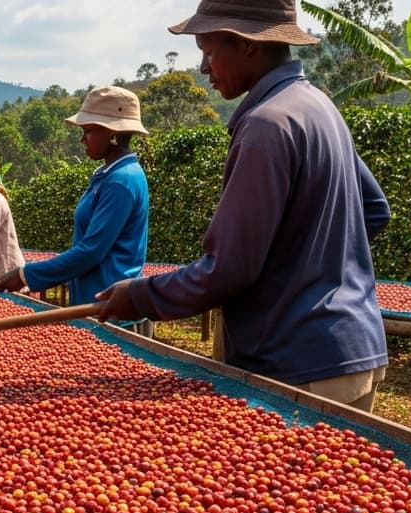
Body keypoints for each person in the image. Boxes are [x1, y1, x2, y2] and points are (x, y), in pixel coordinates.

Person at [95, 0, 391, 412]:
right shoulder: (321, 109)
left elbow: (230, 268)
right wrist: (313, 268)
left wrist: (142, 295)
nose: (204, 68)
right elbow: (375, 210)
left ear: (248, 45)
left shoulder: (266, 125)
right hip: (355, 350)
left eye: (209, 51)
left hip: (295, 366)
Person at [0, 87, 150, 307]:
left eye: (87, 130)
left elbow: (91, 251)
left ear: (112, 133)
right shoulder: (106, 175)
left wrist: (25, 275)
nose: (82, 139)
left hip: (110, 306)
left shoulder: (121, 181)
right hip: (93, 301)